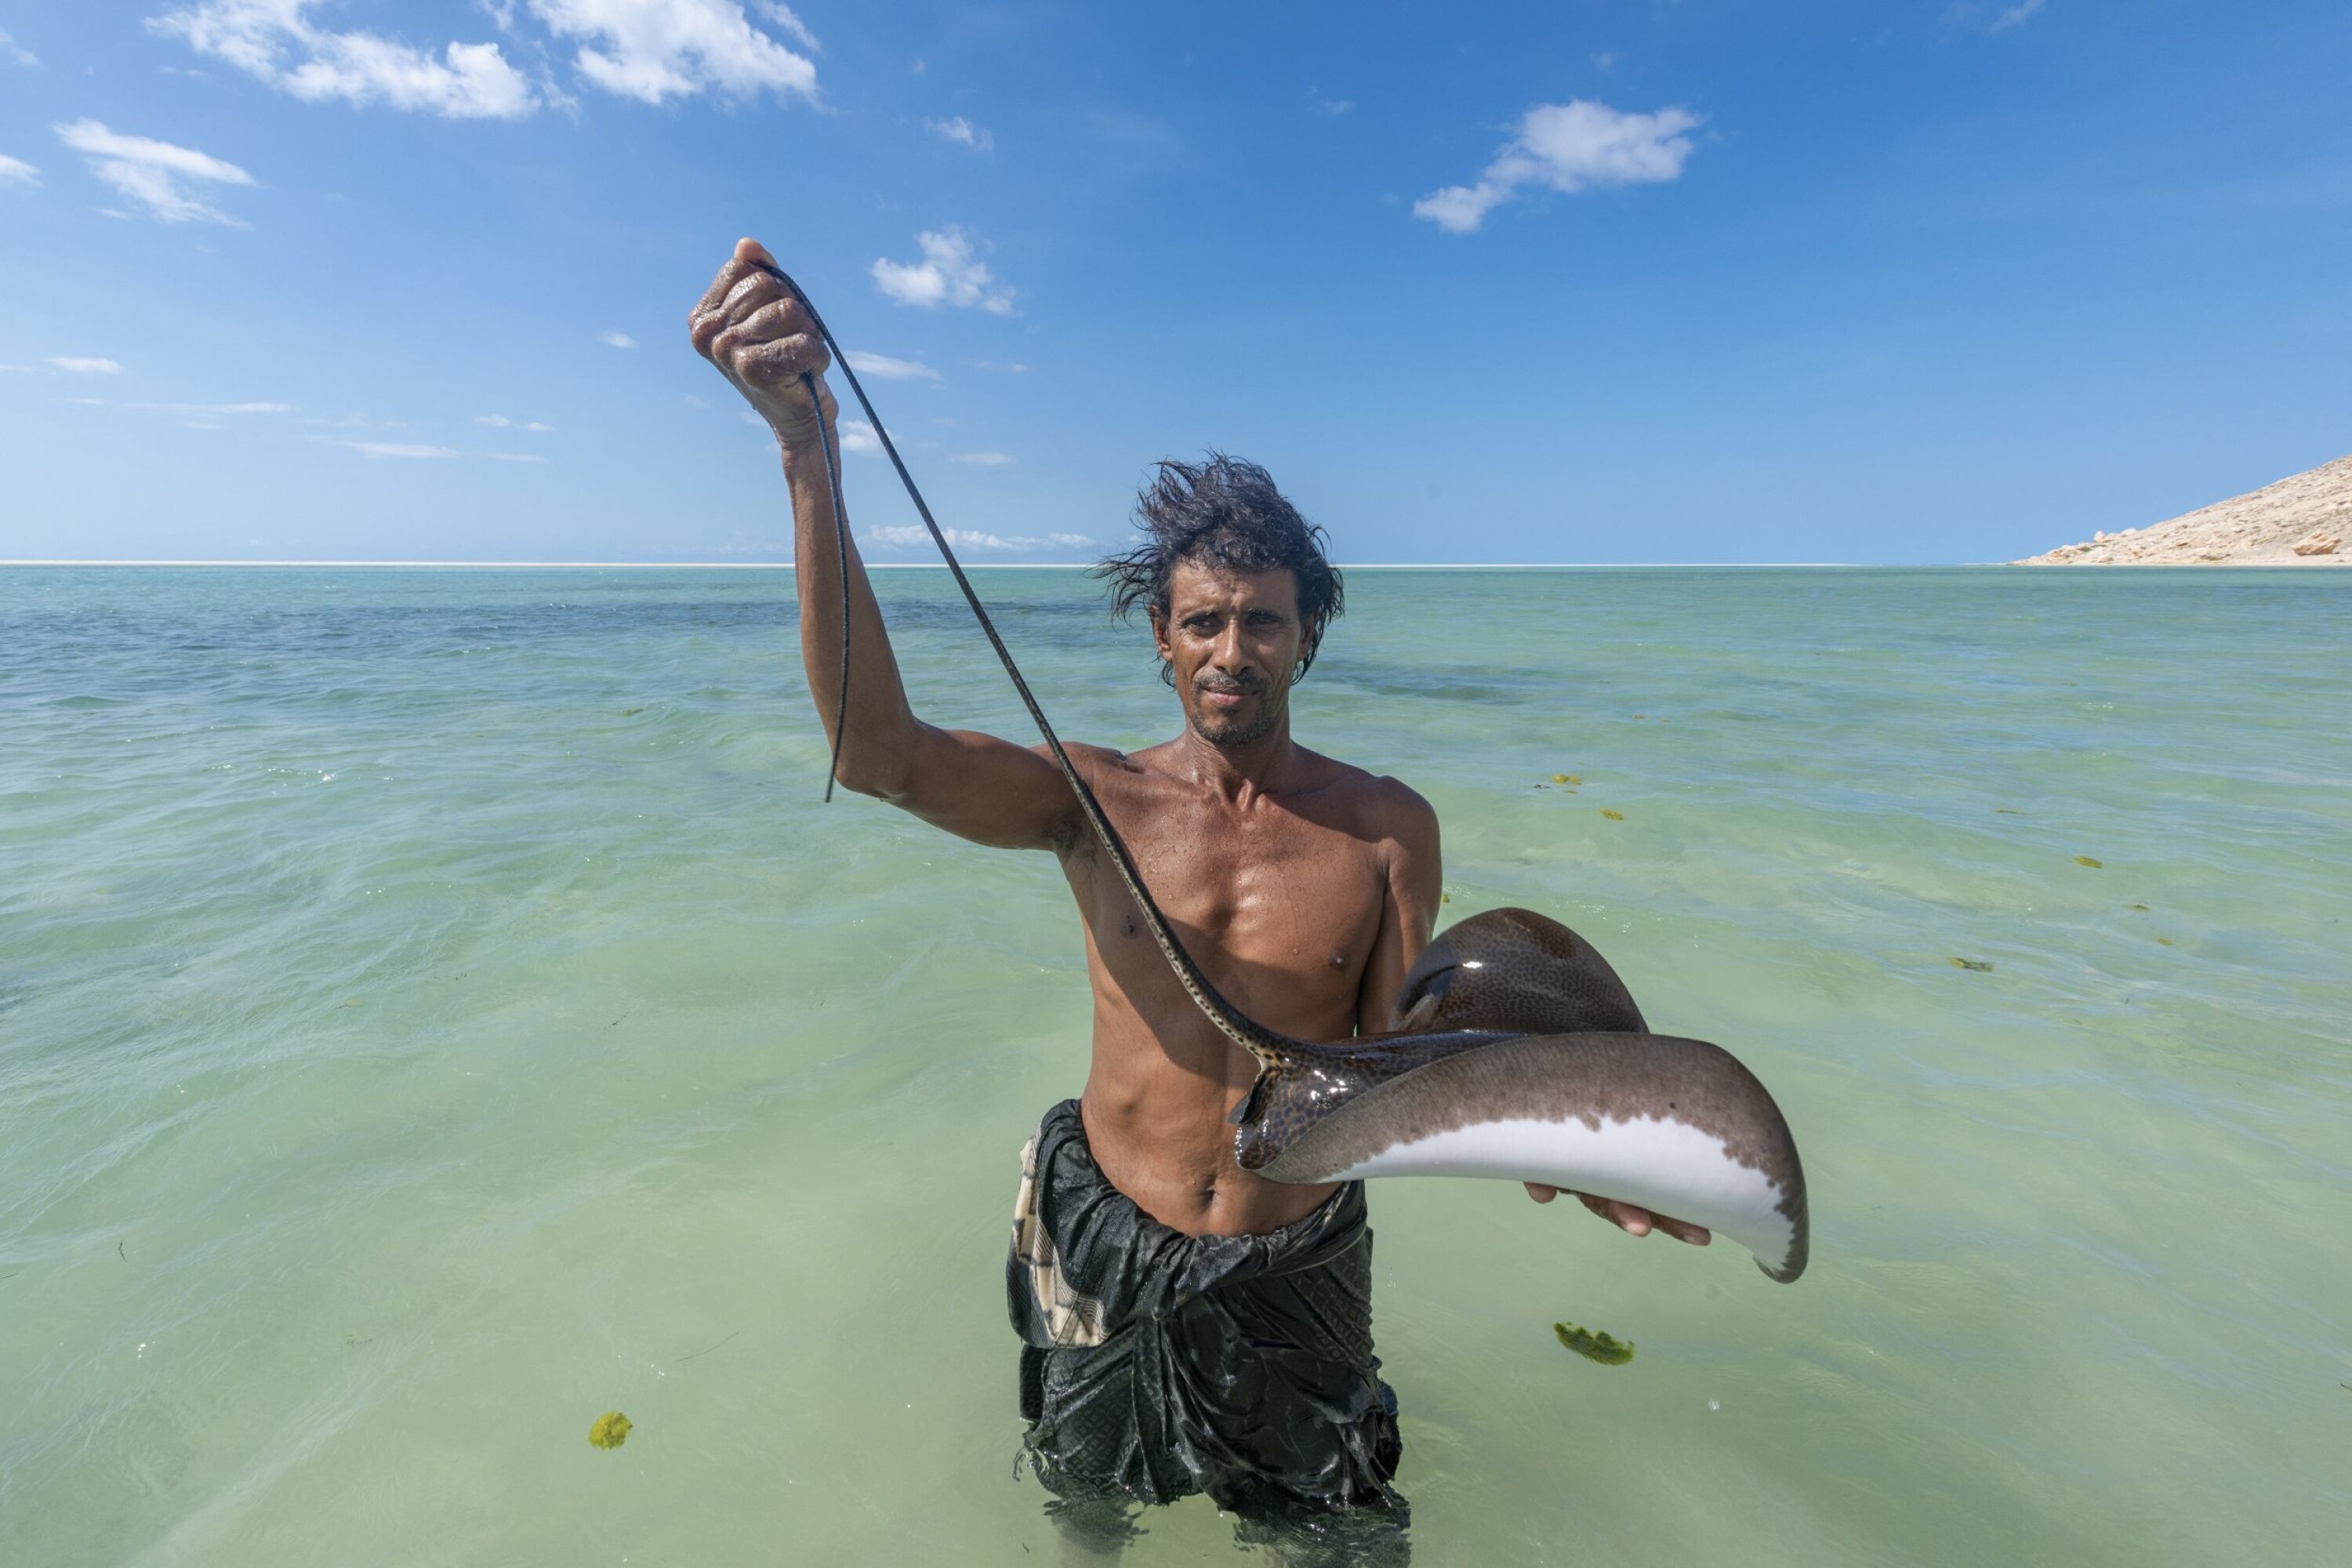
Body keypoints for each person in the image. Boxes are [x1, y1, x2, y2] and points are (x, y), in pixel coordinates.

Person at [689, 238, 1709, 1562]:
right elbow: (876, 754)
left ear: (1309, 636)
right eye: (1206, 622)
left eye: (1266, 623)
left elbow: (1398, 1064)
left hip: (1294, 1263)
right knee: (1086, 1507)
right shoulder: (1088, 799)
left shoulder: (1386, 827)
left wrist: (1571, 1137)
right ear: (1162, 635)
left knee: (1336, 1532)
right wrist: (806, 458)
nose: (1235, 652)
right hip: (1106, 1240)